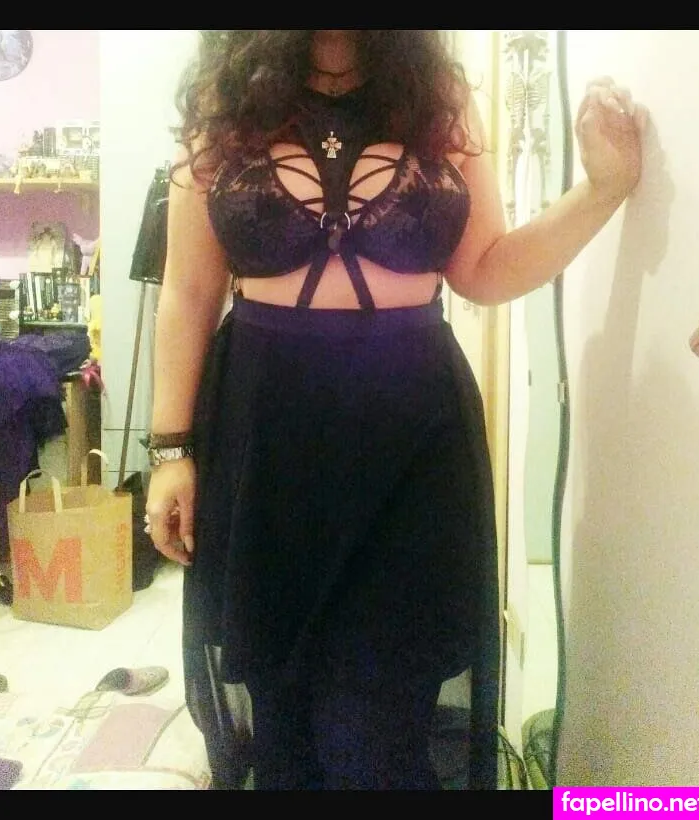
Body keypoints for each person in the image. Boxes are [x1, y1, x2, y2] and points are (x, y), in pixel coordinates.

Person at [144, 30, 647, 791]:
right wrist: (169, 451)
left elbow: (486, 270)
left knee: (375, 735)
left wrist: (602, 190)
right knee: (282, 726)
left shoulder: (440, 101)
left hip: (412, 447)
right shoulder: (227, 102)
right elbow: (188, 292)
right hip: (264, 442)